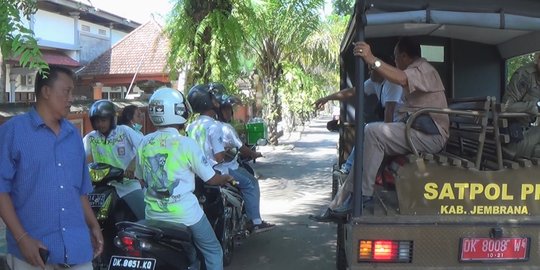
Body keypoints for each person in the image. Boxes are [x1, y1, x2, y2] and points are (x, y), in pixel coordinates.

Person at [310, 37, 449, 223]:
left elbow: (401, 80)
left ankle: (363, 195)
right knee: (367, 143)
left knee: (372, 132)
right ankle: (337, 206)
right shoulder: (386, 81)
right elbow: (355, 90)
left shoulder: (422, 69)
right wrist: (328, 97)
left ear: (405, 56)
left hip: (432, 136)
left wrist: (371, 58)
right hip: (415, 131)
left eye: (396, 57)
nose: (396, 62)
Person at [0, 66, 103, 269]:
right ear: (46, 91)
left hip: (77, 248)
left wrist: (94, 225)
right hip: (33, 253)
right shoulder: (13, 132)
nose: (71, 98)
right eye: (67, 91)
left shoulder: (73, 135)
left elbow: (80, 190)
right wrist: (22, 239)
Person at [136, 87, 232, 270]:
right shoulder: (186, 143)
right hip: (186, 215)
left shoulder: (144, 142)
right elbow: (210, 179)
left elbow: (140, 179)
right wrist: (224, 178)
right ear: (179, 111)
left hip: (153, 215)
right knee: (213, 250)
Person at [186, 83, 275, 233]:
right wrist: (226, 152)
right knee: (251, 183)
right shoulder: (215, 127)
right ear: (208, 102)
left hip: (197, 173)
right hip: (220, 172)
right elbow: (220, 157)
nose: (217, 100)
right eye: (213, 98)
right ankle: (256, 222)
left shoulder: (191, 126)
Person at [314, 62, 404, 174]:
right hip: (392, 125)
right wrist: (327, 98)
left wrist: (384, 137)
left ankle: (349, 168)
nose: (369, 72)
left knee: (366, 131)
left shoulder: (392, 85)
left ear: (382, 70)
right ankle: (354, 168)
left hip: (399, 127)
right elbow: (352, 92)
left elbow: (389, 113)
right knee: (366, 130)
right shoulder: (375, 82)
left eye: (371, 69)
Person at [214, 89, 276, 232]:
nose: (230, 113)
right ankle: (255, 222)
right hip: (226, 170)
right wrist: (254, 154)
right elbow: (241, 148)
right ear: (220, 111)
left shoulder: (195, 127)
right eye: (228, 109)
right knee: (251, 183)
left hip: (204, 171)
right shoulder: (225, 128)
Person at [83, 100, 146, 220]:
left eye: (103, 120)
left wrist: (132, 166)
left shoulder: (124, 131)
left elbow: (144, 147)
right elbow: (80, 159)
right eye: (97, 121)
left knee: (146, 218)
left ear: (112, 119)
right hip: (101, 188)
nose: (100, 124)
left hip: (127, 184)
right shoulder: (90, 138)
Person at [501, 52, 540, 159]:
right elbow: (505, 107)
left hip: (525, 133)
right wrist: (531, 107)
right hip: (513, 140)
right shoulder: (526, 75)